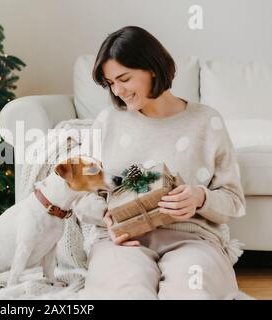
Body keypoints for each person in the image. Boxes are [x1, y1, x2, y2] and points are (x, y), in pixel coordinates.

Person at [79, 26, 246, 299]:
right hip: (122, 241)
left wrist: (200, 198)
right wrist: (106, 215)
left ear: (152, 68)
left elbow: (233, 201)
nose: (117, 90)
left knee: (191, 291)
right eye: (110, 83)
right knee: (126, 292)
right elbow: (81, 194)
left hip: (192, 238)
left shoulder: (206, 121)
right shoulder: (107, 122)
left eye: (124, 78)